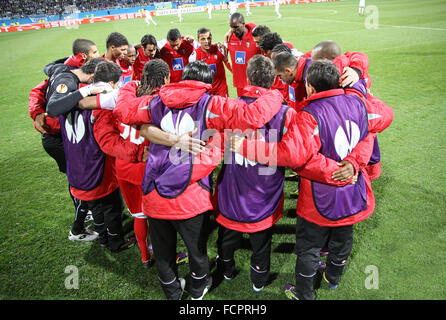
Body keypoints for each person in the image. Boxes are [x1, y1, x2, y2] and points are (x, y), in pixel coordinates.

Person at [114, 60, 285, 300]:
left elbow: (123, 111)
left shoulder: (155, 102)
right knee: (197, 251)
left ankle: (173, 293)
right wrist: (275, 94)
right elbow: (253, 115)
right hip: (189, 198)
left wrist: (128, 87)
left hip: (154, 194)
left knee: (163, 254)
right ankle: (196, 291)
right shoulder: (213, 104)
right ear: (206, 84)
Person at [232, 60, 393, 300]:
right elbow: (381, 121)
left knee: (309, 247)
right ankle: (333, 278)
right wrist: (353, 164)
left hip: (319, 198)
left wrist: (245, 146)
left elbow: (291, 156)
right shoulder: (359, 103)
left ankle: (304, 293)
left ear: (310, 87)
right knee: (343, 237)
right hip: (352, 192)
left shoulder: (309, 115)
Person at [45, 59, 139, 252]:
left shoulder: (68, 101)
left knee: (95, 206)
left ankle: (103, 238)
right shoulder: (101, 106)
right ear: (112, 83)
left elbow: (52, 122)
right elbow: (108, 142)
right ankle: (115, 241)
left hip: (75, 166)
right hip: (97, 167)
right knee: (112, 207)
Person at [189, 27, 231, 97]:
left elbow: (227, 63)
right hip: (206, 93)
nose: (206, 41)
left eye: (208, 38)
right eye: (203, 39)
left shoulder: (220, 49)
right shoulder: (194, 57)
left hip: (221, 90)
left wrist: (236, 75)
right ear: (198, 41)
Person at [227, 13, 261, 97]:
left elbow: (259, 28)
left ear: (243, 24)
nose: (233, 30)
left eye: (236, 27)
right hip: (239, 85)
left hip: (255, 83)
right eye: (231, 27)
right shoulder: (229, 38)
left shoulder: (254, 36)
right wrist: (235, 72)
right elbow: (224, 59)